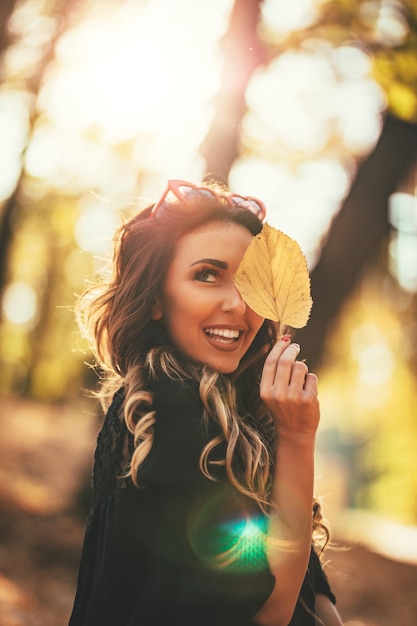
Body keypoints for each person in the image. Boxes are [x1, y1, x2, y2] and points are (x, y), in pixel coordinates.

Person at [69, 180, 343, 626]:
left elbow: (313, 597)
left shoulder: (233, 411)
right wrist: (298, 437)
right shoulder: (176, 408)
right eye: (207, 274)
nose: (238, 304)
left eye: (251, 281)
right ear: (156, 298)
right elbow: (268, 611)